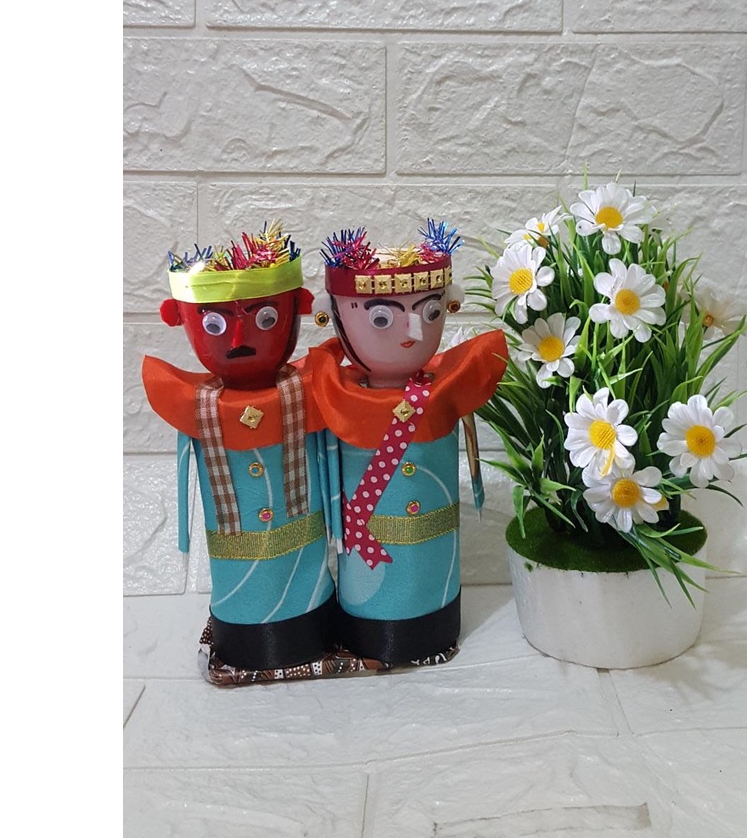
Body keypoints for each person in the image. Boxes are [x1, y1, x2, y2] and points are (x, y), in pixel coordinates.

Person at [141, 220, 342, 682]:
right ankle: (248, 636)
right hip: (236, 602)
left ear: (297, 310)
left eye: (265, 319)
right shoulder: (199, 406)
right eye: (213, 324)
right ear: (180, 318)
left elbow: (331, 458)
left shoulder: (306, 391)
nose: (237, 341)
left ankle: (313, 620)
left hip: (312, 603)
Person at [309, 221, 508, 665]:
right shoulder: (335, 390)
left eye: (431, 313)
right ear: (334, 313)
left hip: (437, 597)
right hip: (364, 596)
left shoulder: (446, 386)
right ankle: (366, 626)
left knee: (428, 556)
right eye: (381, 317)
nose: (413, 332)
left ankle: (429, 625)